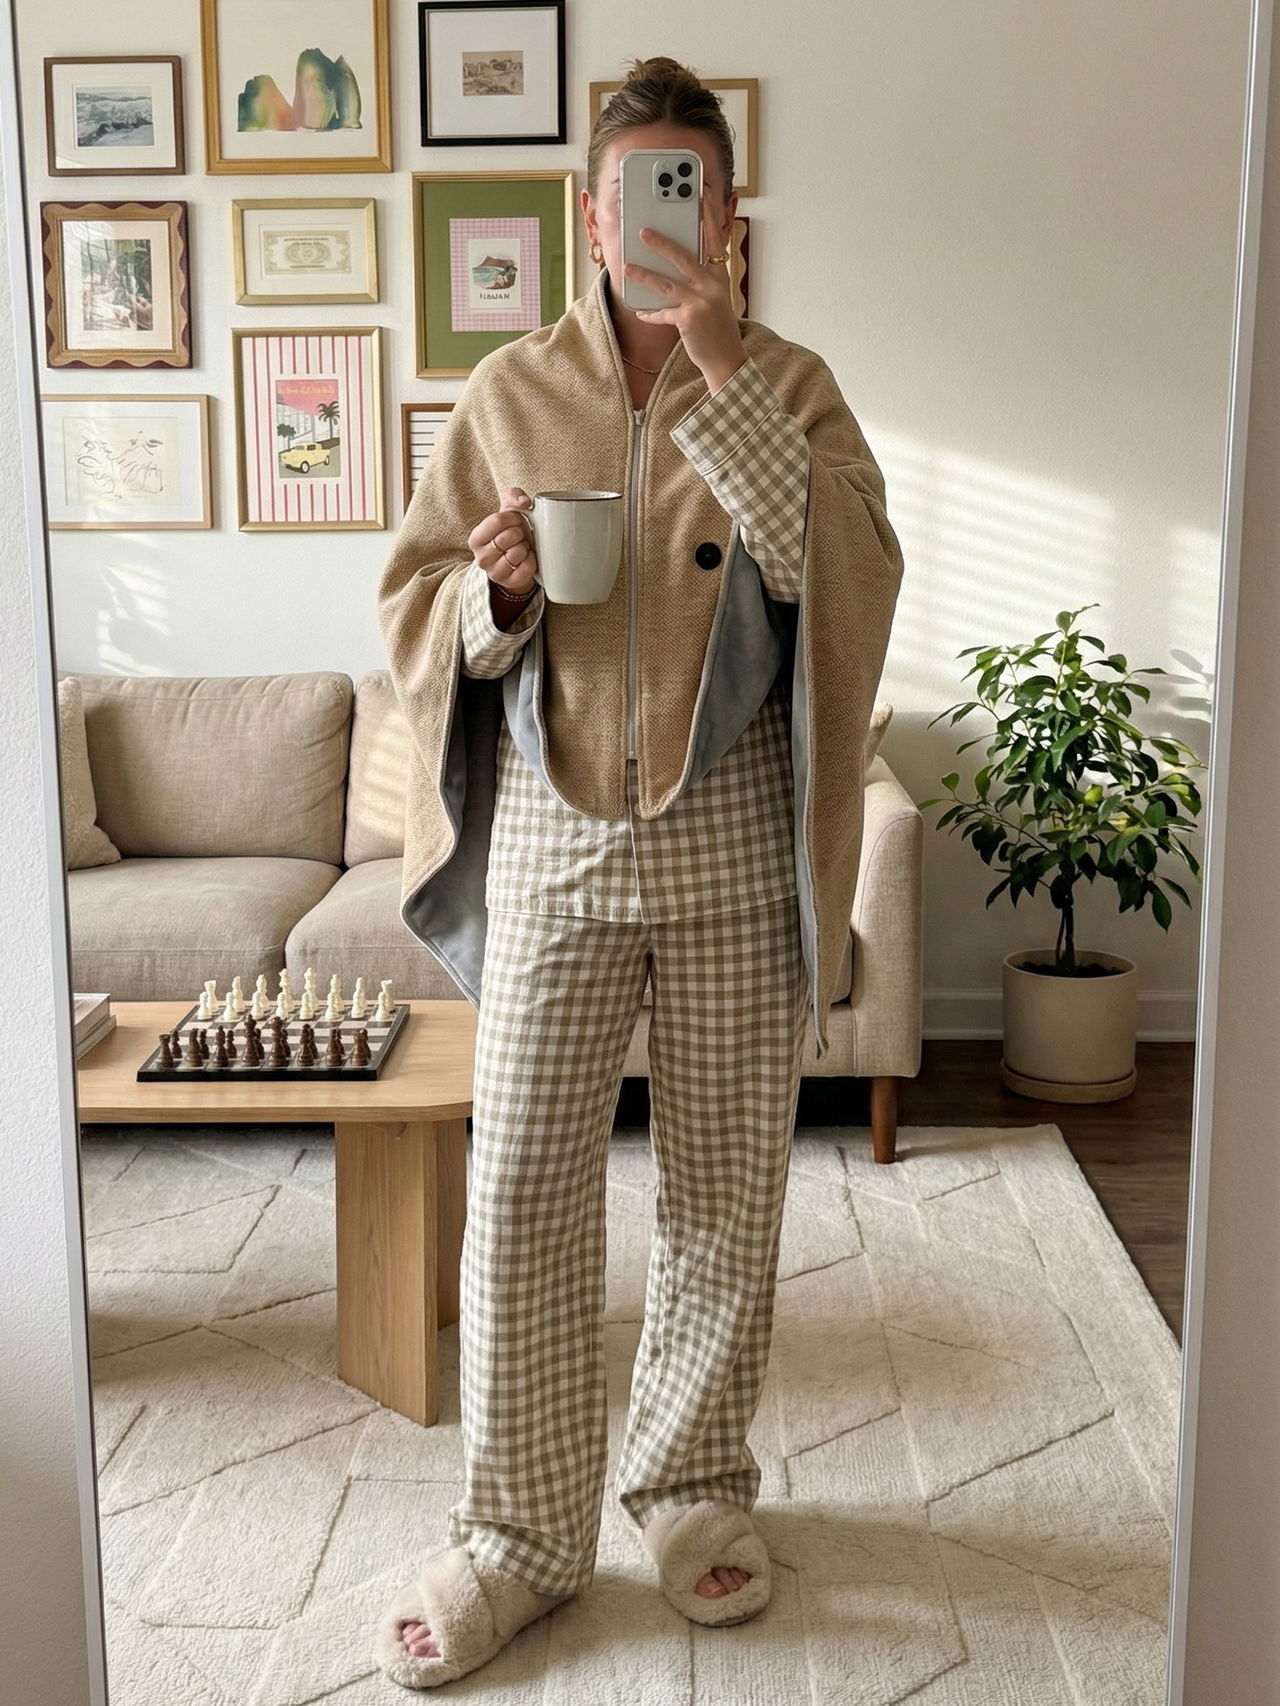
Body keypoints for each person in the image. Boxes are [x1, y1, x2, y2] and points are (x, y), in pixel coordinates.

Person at [373, 55, 904, 1690]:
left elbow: (850, 578)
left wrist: (726, 373)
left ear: (729, 212)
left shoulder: (790, 383)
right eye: (637, 192)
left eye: (696, 188)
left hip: (735, 828)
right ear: (587, 215)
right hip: (553, 837)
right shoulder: (508, 391)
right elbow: (411, 606)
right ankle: (519, 1536)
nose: (666, 217)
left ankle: (686, 1486)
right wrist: (496, 599)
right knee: (523, 1189)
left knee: (725, 1192)